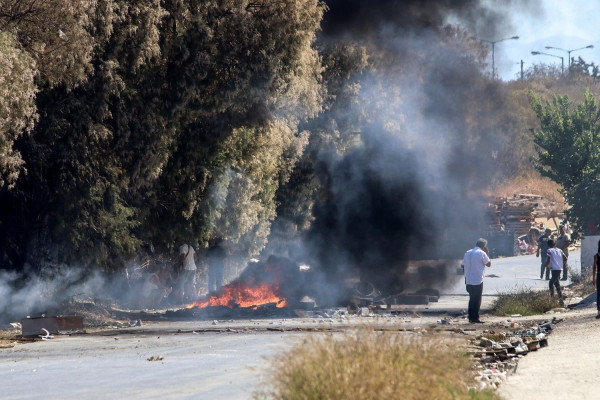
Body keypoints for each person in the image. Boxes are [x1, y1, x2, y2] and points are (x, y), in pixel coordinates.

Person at [461, 238, 491, 324]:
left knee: (471, 299)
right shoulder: (482, 253)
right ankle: (475, 318)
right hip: (477, 280)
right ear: (484, 246)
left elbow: (462, 265)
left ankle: (471, 318)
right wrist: (487, 253)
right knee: (477, 299)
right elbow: (488, 264)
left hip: (468, 280)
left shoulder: (468, 252)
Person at [592, 240, 600, 319]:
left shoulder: (596, 256)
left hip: (599, 275)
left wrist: (593, 278)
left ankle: (598, 312)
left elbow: (594, 268)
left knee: (598, 294)